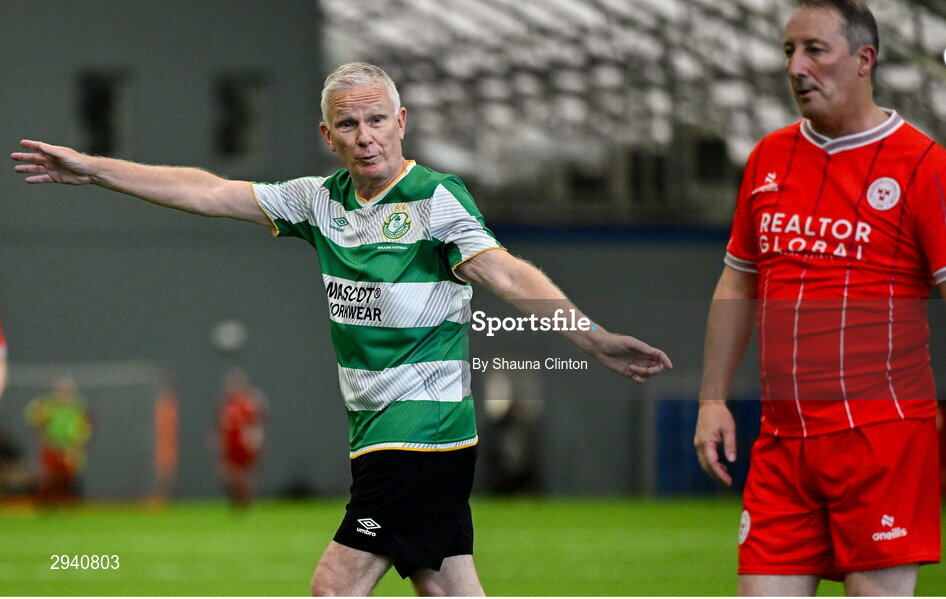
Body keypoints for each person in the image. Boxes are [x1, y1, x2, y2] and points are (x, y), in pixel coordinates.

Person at [11, 61, 672, 596]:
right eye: (348, 123)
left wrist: (592, 337)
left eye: (377, 119)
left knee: (334, 586)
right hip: (382, 433)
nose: (366, 135)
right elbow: (205, 189)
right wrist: (95, 169)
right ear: (327, 135)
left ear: (402, 122)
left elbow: (506, 273)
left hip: (422, 432)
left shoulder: (435, 200)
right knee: (446, 586)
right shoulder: (318, 201)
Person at [694, 0, 946, 596]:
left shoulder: (925, 166)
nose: (796, 67)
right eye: (788, 51)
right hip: (782, 441)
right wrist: (712, 399)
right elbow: (738, 281)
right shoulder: (767, 159)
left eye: (815, 49)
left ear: (865, 59)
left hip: (882, 439)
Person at [24, 376, 92, 506]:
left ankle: (65, 503)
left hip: (70, 447)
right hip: (52, 446)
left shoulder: (78, 407)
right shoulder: (48, 406)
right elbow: (35, 421)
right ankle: (45, 503)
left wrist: (77, 446)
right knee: (50, 477)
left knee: (67, 477)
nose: (64, 394)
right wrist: (44, 435)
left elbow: (84, 427)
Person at [217, 368, 266, 507]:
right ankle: (237, 500)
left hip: (244, 445)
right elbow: (220, 427)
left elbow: (256, 425)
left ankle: (245, 500)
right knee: (230, 475)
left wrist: (256, 443)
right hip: (231, 446)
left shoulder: (250, 404)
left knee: (244, 475)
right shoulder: (226, 404)